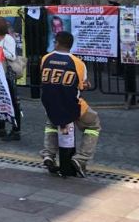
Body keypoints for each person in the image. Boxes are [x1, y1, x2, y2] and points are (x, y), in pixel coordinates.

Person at [40, 31, 102, 178]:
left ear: (56, 43)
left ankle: (48, 154)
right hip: (72, 107)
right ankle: (80, 159)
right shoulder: (78, 63)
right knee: (94, 124)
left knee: (51, 124)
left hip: (50, 105)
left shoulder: (45, 59)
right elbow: (82, 85)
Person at [0, 17, 22, 141]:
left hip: (7, 74)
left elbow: (12, 56)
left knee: (13, 102)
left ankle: (16, 130)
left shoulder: (8, 39)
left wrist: (0, 50)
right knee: (0, 101)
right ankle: (1, 128)